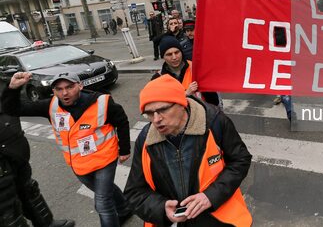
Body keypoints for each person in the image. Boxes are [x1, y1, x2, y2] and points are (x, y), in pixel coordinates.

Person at [1, 72, 132, 227]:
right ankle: (124, 209)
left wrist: (124, 149)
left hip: (104, 159)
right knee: (102, 190)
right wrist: (12, 88)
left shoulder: (102, 103)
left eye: (70, 87)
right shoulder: (50, 106)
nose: (65, 93)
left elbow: (121, 121)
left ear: (80, 86)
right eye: (59, 89)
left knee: (102, 202)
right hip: (79, 164)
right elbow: (13, 109)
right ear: (53, 91)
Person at [124, 75, 252, 226]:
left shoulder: (214, 122)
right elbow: (134, 192)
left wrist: (210, 196)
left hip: (220, 219)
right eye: (149, 113)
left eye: (163, 109)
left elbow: (240, 160)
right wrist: (161, 209)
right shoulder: (146, 140)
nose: (156, 119)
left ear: (181, 103)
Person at [0, 73, 75, 227]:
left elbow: (10, 106)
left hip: (15, 153)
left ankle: (47, 223)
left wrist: (12, 89)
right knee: (7, 207)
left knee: (29, 189)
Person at [153, 36, 221, 108]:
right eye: (169, 54)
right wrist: (185, 94)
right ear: (163, 57)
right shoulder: (157, 78)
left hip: (199, 116)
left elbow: (214, 101)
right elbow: (157, 106)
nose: (174, 57)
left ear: (181, 52)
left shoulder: (196, 70)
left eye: (177, 52)